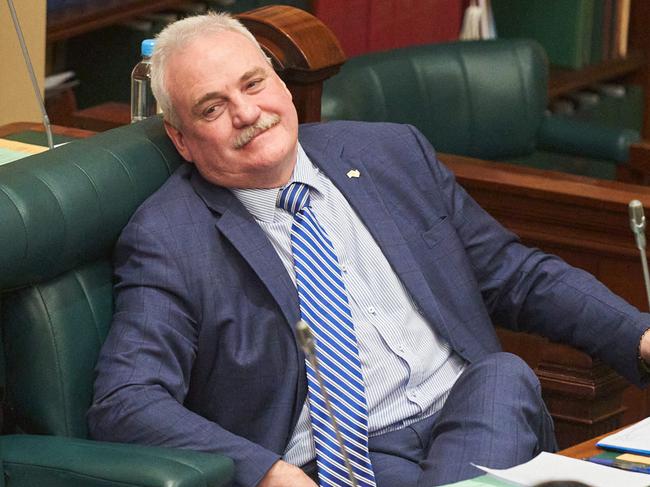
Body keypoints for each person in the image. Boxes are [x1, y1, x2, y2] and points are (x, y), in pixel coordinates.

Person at [87, 11, 650, 487]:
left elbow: (515, 275)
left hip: (473, 417)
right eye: (212, 108)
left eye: (253, 84)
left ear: (281, 86)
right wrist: (264, 471)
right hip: (348, 463)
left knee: (503, 374)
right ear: (181, 139)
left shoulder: (389, 153)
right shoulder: (170, 235)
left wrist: (639, 336)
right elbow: (127, 400)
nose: (246, 113)